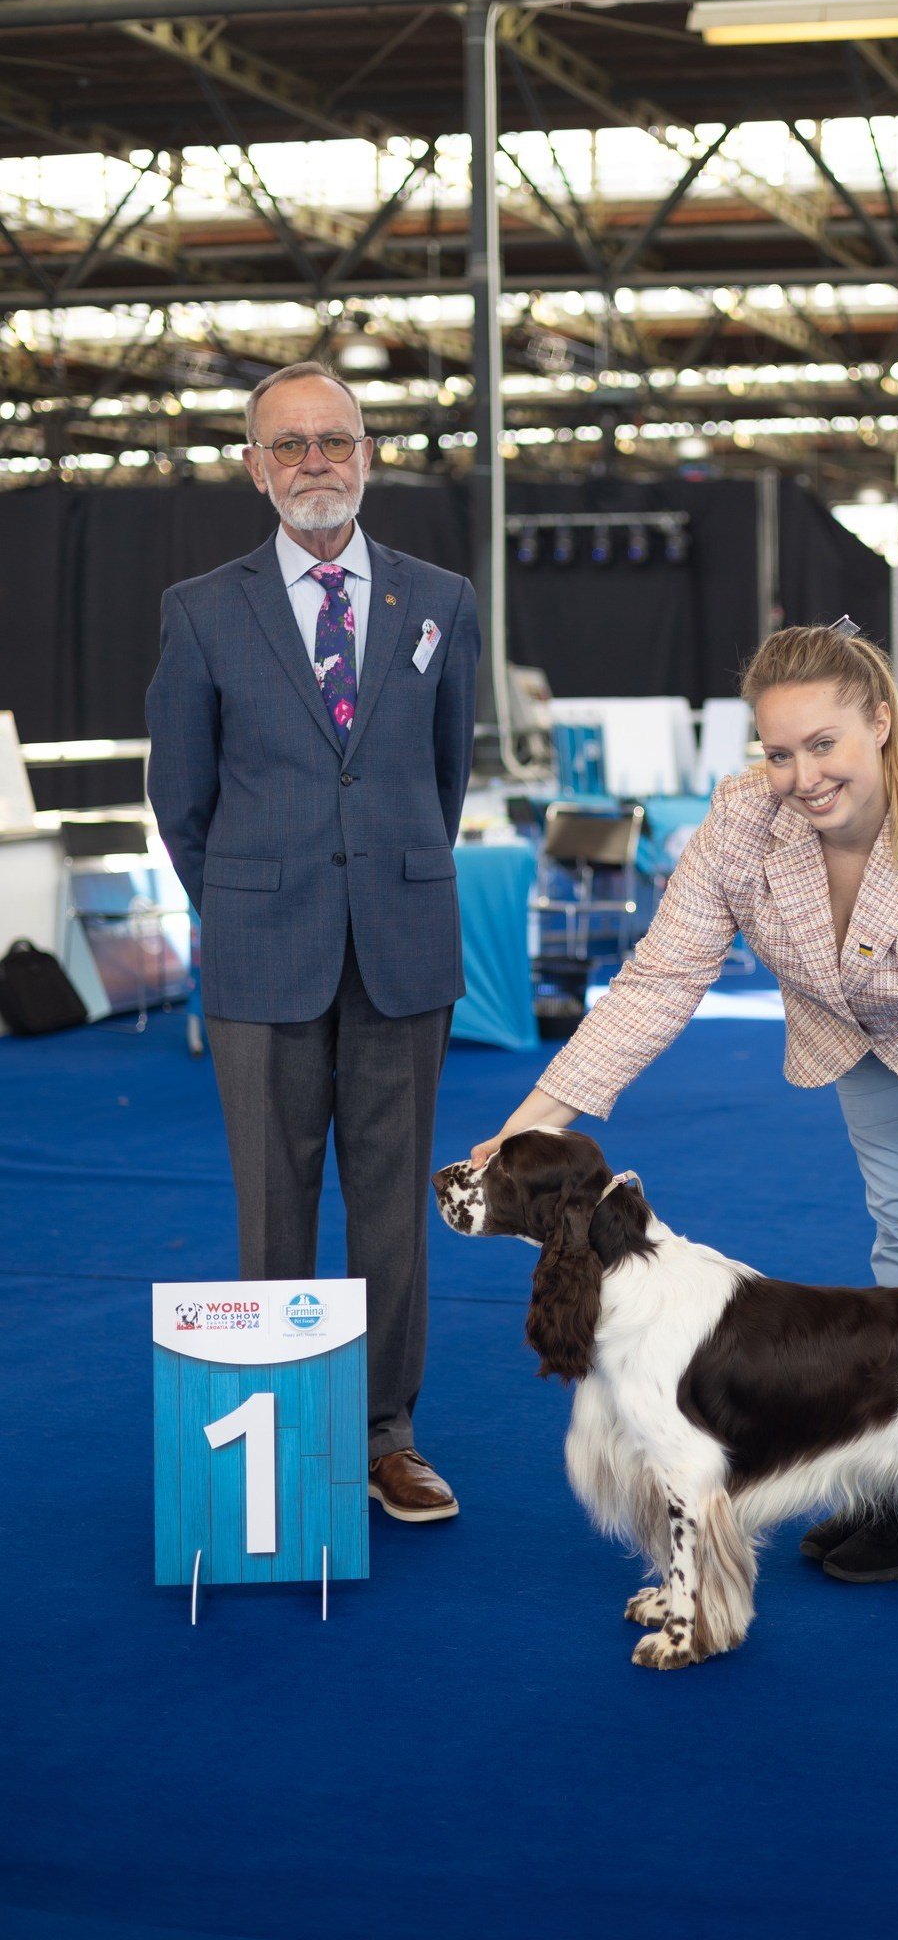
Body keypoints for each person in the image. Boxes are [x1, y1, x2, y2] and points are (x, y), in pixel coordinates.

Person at [471, 623, 898, 1585]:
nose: (801, 776)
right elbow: (656, 982)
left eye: (825, 744)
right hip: (862, 1025)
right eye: (779, 752)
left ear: (881, 723)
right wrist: (531, 1123)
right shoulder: (739, 825)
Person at [146, 360, 480, 1524]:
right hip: (261, 954)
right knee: (274, 1207)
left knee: (392, 1208)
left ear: (369, 453)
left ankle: (385, 1433)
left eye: (333, 440)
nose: (314, 463)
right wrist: (243, 902)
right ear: (253, 468)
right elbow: (179, 797)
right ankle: (283, 1431)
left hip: (400, 943)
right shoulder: (199, 608)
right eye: (288, 446)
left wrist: (378, 878)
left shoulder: (440, 599)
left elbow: (443, 778)